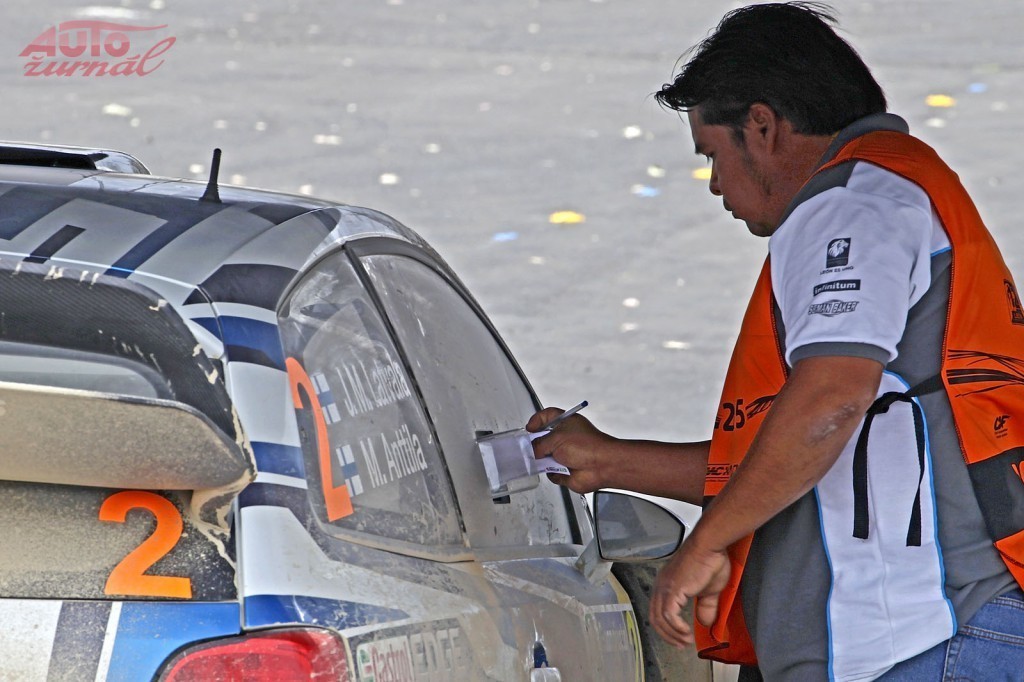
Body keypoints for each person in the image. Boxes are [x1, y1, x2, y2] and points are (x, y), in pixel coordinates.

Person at [528, 3, 1024, 680]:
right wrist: (609, 462)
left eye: (713, 154)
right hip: (939, 632)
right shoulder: (897, 191)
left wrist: (707, 543)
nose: (715, 184)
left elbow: (831, 402)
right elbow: (801, 455)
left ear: (762, 126)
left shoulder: (851, 203)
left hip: (919, 637)